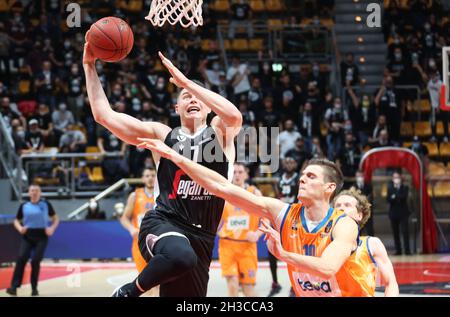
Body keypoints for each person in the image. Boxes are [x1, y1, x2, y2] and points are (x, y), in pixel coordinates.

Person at [83, 34, 242, 297]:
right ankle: (127, 292)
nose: (192, 99)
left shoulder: (219, 133)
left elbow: (234, 115)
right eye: (185, 96)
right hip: (164, 222)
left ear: (209, 105)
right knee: (180, 255)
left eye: (197, 96)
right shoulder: (162, 134)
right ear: (176, 106)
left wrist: (186, 82)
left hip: (202, 238)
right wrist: (89, 66)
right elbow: (104, 116)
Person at [137, 137, 375, 297]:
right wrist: (176, 158)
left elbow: (327, 268)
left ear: (329, 188)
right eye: (303, 175)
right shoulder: (284, 212)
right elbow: (221, 187)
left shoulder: (344, 225)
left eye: (311, 177)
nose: (303, 179)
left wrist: (283, 254)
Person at [333, 187, 399, 296]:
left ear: (359, 215)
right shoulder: (322, 241)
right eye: (338, 206)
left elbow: (390, 282)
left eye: (347, 205)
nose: (341, 208)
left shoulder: (372, 244)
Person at [217, 163, 263, 297]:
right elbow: (213, 218)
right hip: (227, 245)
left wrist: (257, 234)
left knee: (248, 289)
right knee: (232, 285)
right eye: (234, 172)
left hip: (247, 246)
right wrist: (216, 230)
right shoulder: (223, 193)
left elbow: (266, 218)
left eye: (240, 172)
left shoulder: (254, 193)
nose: (237, 175)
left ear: (246, 174)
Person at [6, 184, 59, 296]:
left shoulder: (46, 204)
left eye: (36, 191)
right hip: (28, 236)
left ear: (40, 193)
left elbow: (56, 218)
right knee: (21, 258)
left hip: (42, 236)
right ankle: (14, 287)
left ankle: (34, 288)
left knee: (35, 261)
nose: (34, 193)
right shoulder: (24, 206)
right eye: (32, 191)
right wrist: (20, 228)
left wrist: (52, 228)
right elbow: (16, 220)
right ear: (29, 193)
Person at [120, 168, 159, 296]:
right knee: (145, 281)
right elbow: (124, 217)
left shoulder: (162, 194)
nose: (150, 178)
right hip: (141, 243)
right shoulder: (135, 195)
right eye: (147, 175)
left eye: (153, 175)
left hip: (159, 241)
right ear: (142, 178)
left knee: (160, 281)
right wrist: (131, 229)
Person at [387, 171, 411, 255]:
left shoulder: (405, 187)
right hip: (393, 213)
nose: (396, 179)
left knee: (405, 232)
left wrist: (395, 196)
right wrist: (396, 197)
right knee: (395, 233)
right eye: (394, 177)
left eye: (397, 177)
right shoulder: (390, 188)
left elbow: (403, 197)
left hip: (403, 213)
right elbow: (389, 199)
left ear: (400, 178)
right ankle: (398, 250)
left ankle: (407, 250)